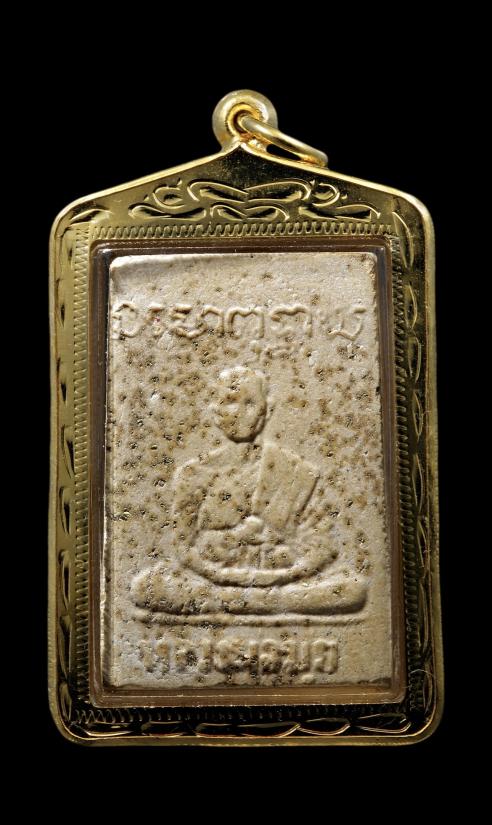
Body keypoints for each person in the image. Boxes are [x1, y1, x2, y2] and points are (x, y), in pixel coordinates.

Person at [132, 366, 367, 615]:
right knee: (146, 587)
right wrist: (230, 547)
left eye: (250, 403)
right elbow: (182, 548)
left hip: (282, 579)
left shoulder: (295, 471)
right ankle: (261, 602)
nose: (240, 412)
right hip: (212, 580)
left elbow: (322, 545)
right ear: (215, 411)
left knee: (353, 588)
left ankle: (238, 602)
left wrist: (281, 563)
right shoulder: (193, 474)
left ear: (267, 410)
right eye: (230, 401)